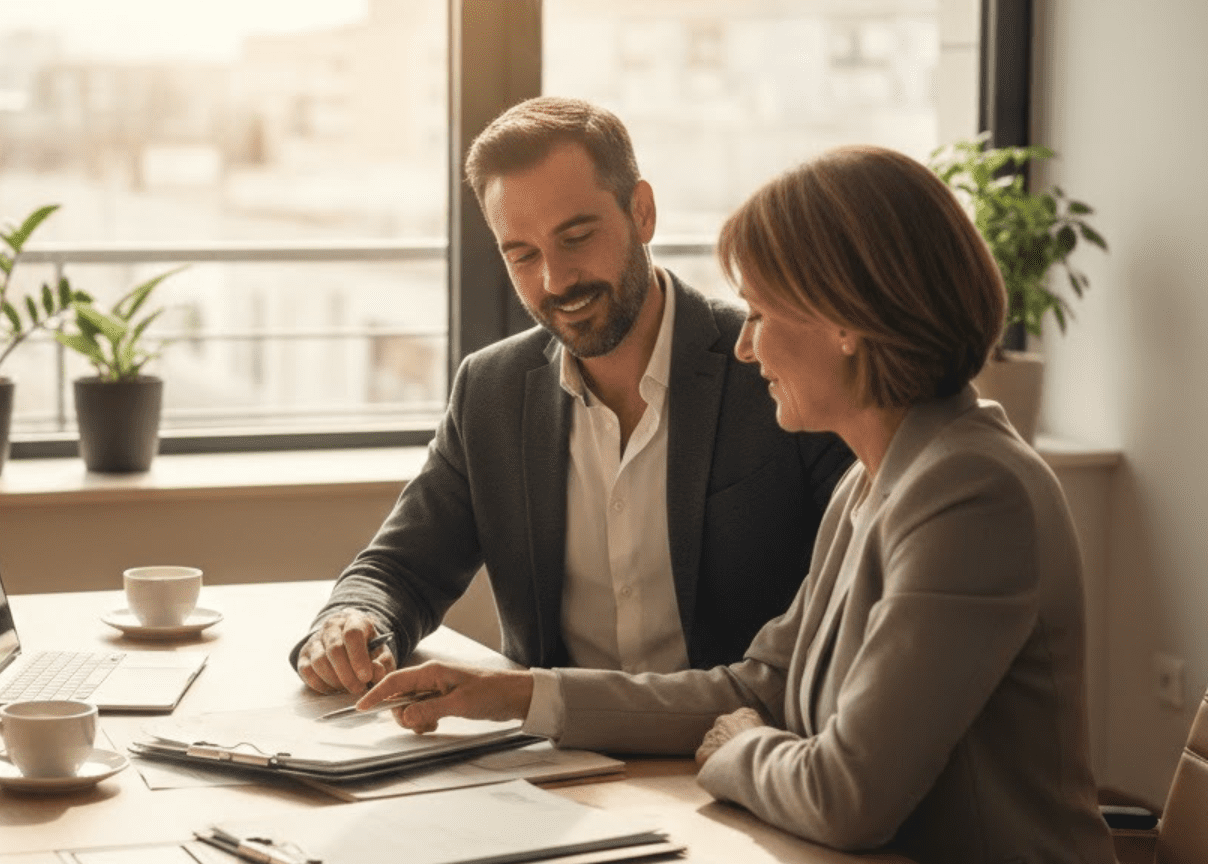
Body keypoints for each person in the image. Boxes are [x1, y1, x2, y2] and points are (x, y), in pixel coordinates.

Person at [356, 145, 1117, 864]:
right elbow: (758, 686)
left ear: (845, 320)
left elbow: (848, 795)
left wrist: (735, 749)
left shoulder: (970, 493)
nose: (745, 347)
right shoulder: (875, 479)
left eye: (759, 312)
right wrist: (516, 695)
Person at [294, 97, 854, 695]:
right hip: (551, 763)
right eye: (524, 255)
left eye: (577, 237)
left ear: (641, 212)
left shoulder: (775, 369)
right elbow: (401, 567)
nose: (555, 281)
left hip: (735, 746)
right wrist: (350, 621)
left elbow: (844, 620)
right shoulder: (491, 390)